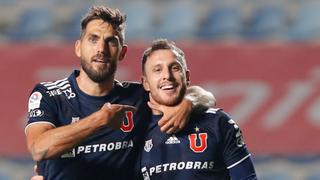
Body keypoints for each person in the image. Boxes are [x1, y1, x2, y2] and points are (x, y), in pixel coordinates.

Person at [25, 6, 215, 180]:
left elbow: (204, 95)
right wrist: (100, 120)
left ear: (122, 53)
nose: (101, 49)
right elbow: (38, 149)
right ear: (78, 48)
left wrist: (187, 104)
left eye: (111, 41)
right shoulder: (50, 94)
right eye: (93, 39)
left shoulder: (137, 96)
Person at [139, 39, 257, 179]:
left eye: (175, 68)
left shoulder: (217, 123)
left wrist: (190, 103)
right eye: (157, 70)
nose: (167, 76)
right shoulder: (134, 133)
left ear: (187, 77)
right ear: (145, 83)